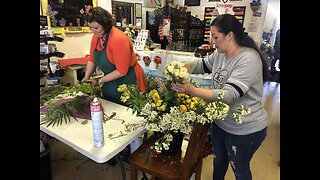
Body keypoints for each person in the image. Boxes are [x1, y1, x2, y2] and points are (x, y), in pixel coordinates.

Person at [171, 14, 269, 180]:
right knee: (219, 161)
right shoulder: (220, 55)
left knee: (240, 168)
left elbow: (229, 95)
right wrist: (181, 67)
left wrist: (191, 90)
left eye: (215, 37)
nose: (213, 41)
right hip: (221, 123)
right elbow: (201, 65)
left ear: (229, 35)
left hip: (245, 129)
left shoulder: (248, 59)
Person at [81, 7, 146, 105]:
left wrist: (99, 81)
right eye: (90, 27)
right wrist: (86, 77)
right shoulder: (97, 37)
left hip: (129, 79)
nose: (92, 31)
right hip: (110, 79)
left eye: (96, 28)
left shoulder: (118, 39)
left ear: (105, 25)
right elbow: (92, 59)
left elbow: (121, 71)